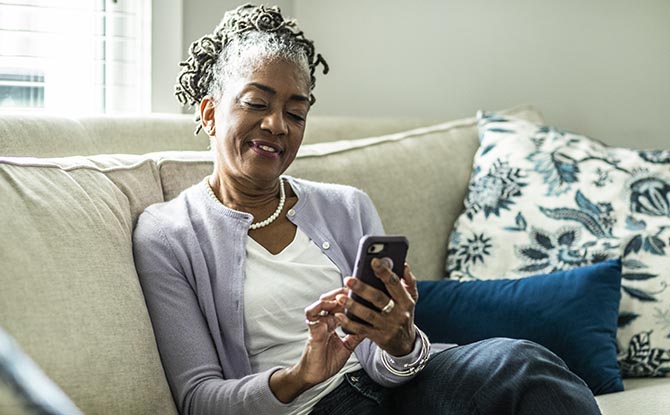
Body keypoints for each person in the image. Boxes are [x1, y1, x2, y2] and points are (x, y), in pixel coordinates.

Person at [133, 4, 602, 414]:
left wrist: (400, 341)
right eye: (257, 103)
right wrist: (302, 374)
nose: (277, 125)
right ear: (210, 113)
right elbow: (200, 399)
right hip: (312, 408)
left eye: (296, 113)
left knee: (520, 364)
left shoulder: (346, 205)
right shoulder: (169, 233)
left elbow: (386, 366)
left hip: (407, 391)